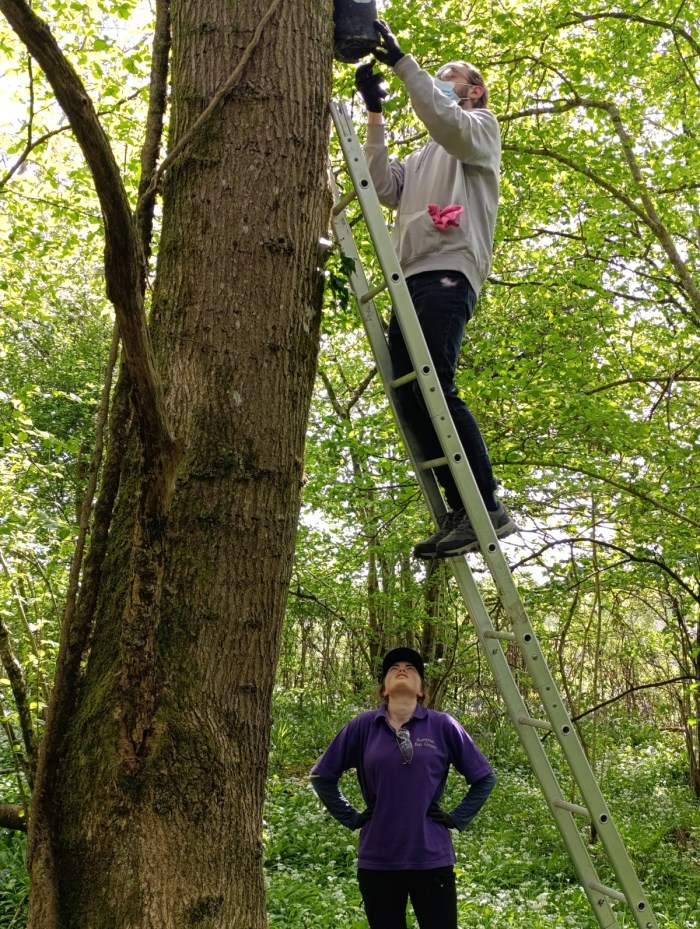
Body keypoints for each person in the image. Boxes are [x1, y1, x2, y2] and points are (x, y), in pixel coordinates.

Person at [355, 20, 517, 559]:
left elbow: (445, 120)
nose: (439, 82)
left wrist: (403, 64)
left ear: (472, 91)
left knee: (435, 385)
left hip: (448, 272)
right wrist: (375, 114)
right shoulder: (424, 156)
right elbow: (381, 185)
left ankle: (487, 507)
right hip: (410, 278)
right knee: (409, 395)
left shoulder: (478, 128)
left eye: (450, 77)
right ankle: (460, 509)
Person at [310, 646, 496, 929]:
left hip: (431, 857)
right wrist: (350, 816)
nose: (402, 669)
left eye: (411, 668)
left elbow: (484, 778)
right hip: (378, 858)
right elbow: (322, 776)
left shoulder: (442, 725)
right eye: (394, 667)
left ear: (421, 690)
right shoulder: (363, 726)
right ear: (384, 689)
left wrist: (457, 817)